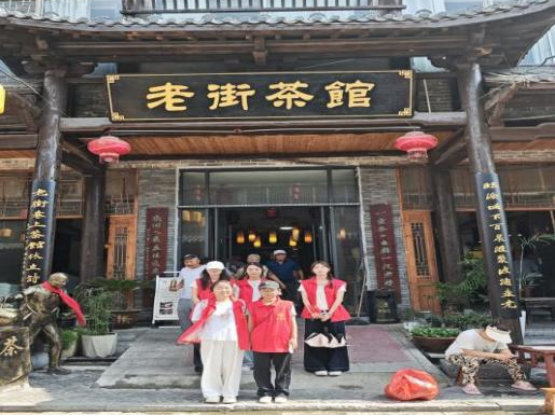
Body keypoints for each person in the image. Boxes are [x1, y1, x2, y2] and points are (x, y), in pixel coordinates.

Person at [177, 280, 249, 404]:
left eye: (226, 288)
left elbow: (247, 319)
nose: (223, 290)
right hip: (210, 338)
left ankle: (230, 394)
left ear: (232, 290)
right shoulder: (203, 304)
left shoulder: (240, 303)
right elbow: (196, 320)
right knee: (211, 367)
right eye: (219, 288)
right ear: (213, 290)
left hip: (233, 339)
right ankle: (212, 393)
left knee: (232, 368)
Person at [6, 272, 86, 375]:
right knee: (26, 343)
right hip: (33, 320)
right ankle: (16, 368)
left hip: (48, 320)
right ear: (54, 280)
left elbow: (66, 303)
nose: (64, 284)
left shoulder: (61, 291)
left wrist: (69, 312)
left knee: (56, 342)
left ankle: (54, 367)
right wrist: (8, 299)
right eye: (62, 281)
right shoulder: (36, 289)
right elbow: (20, 295)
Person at [445, 324, 536, 395]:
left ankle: (519, 381)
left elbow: (505, 351)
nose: (497, 340)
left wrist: (509, 356)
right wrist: (496, 356)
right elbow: (469, 352)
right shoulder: (468, 334)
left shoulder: (499, 338)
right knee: (471, 360)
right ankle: (469, 384)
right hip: (456, 355)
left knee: (511, 360)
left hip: (482, 357)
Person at [249, 280, 298, 403]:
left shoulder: (287, 305)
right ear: (260, 292)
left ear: (278, 291)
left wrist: (294, 338)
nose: (268, 292)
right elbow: (250, 324)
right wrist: (249, 339)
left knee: (283, 370)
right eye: (264, 290)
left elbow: (293, 323)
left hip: (282, 342)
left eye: (271, 290)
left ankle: (282, 392)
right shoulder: (253, 305)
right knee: (261, 369)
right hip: (260, 342)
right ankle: (265, 391)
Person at [299, 261, 350, 376]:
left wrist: (329, 313)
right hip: (313, 314)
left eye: (323, 267)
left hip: (334, 313)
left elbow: (339, 299)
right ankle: (316, 366)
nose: (320, 269)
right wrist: (313, 312)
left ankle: (337, 365)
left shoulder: (339, 283)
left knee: (336, 338)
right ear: (313, 270)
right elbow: (305, 300)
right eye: (316, 267)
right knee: (314, 339)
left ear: (328, 269)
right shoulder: (305, 283)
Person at [190, 260, 232, 373]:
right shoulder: (198, 282)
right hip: (201, 313)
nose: (214, 272)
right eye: (211, 270)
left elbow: (232, 296)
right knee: (199, 339)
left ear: (221, 271)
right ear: (207, 271)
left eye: (217, 270)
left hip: (221, 313)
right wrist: (202, 306)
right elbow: (194, 297)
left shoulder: (228, 282)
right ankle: (200, 365)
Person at [172, 254, 206, 373]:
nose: (188, 263)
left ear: (198, 260)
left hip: (198, 298)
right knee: (183, 316)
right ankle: (187, 337)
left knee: (197, 319)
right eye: (186, 261)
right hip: (184, 297)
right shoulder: (183, 270)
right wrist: (177, 287)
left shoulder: (205, 269)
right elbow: (182, 282)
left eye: (191, 261)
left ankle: (198, 337)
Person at [235, 262, 266, 371]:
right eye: (250, 269)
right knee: (245, 337)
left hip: (263, 313)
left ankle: (262, 361)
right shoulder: (239, 284)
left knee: (262, 336)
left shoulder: (267, 283)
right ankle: (248, 362)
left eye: (256, 269)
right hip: (244, 314)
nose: (253, 272)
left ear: (261, 271)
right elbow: (234, 299)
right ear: (246, 271)